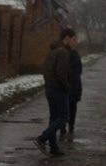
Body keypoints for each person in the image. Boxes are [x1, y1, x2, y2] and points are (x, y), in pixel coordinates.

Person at [33, 28, 76, 156]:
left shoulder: (53, 51)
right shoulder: (63, 52)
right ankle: (42, 138)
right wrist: (67, 87)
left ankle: (53, 147)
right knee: (64, 117)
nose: (75, 43)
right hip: (58, 89)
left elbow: (45, 70)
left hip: (50, 89)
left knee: (54, 118)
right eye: (74, 39)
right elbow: (61, 73)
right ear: (66, 39)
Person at [60, 42, 82, 139]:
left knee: (63, 107)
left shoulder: (62, 55)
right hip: (74, 85)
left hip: (65, 85)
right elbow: (80, 70)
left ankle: (62, 127)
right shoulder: (75, 55)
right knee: (72, 107)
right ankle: (71, 125)